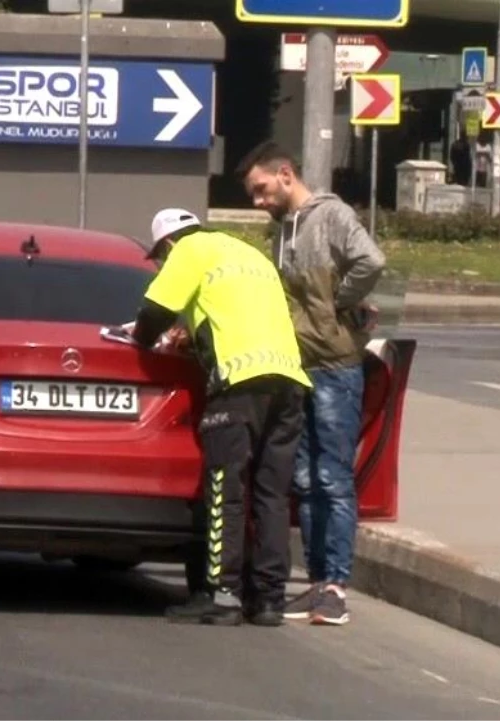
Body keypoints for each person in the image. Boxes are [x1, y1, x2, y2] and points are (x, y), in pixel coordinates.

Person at [127, 208, 311, 627]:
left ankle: (222, 593)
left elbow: (154, 312)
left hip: (238, 386)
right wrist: (193, 335)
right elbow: (237, 315)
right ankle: (267, 600)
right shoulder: (247, 254)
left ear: (168, 244)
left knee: (224, 488)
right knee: (271, 495)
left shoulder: (188, 252)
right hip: (289, 382)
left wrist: (142, 339)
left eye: (160, 258)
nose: (161, 264)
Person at [235, 140, 386, 626]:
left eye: (261, 190)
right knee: (302, 479)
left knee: (331, 477)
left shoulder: (331, 217)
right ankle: (319, 582)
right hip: (296, 365)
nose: (259, 201)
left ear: (285, 174)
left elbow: (372, 261)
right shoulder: (282, 230)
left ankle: (336, 585)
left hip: (336, 365)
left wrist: (340, 304)